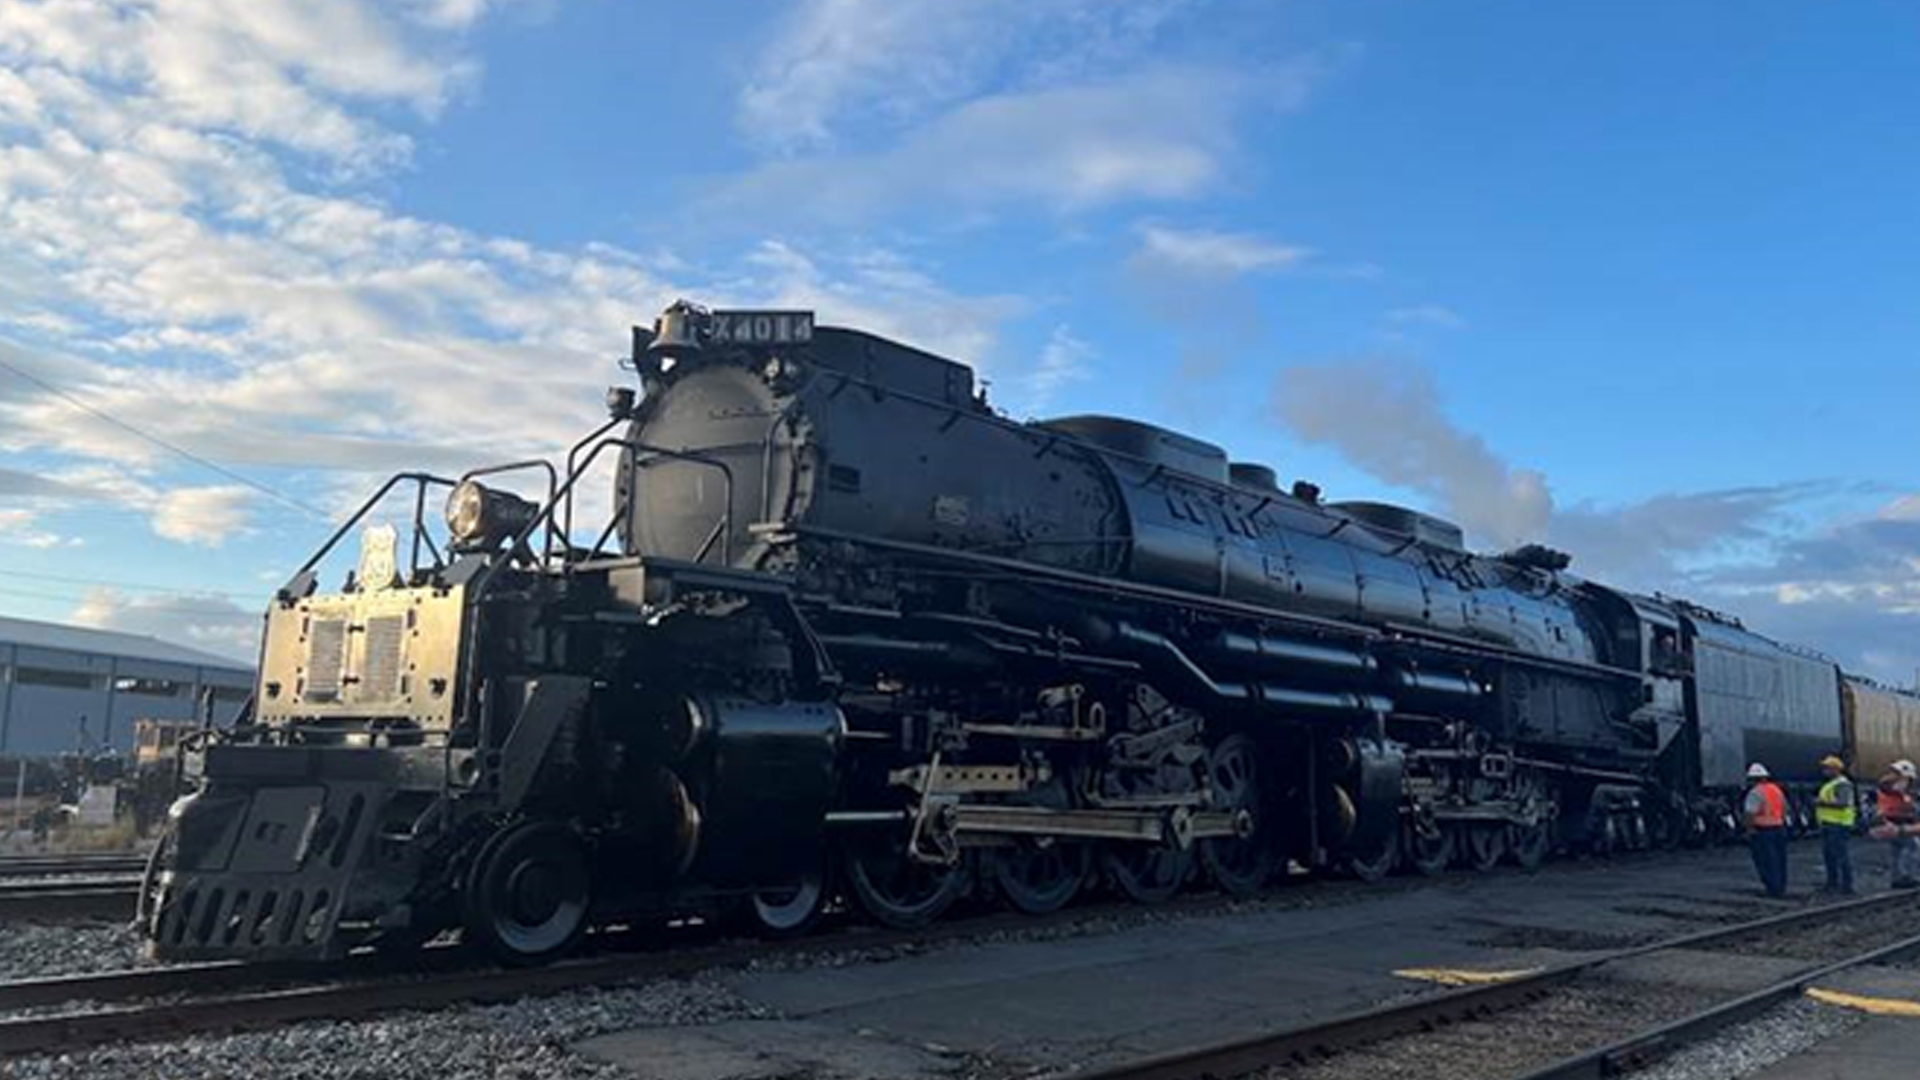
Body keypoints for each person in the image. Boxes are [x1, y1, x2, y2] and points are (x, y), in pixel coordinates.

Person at [1743, 762, 1790, 898]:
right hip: (1779, 828)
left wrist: (1749, 829)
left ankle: (1771, 889)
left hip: (1763, 831)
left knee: (1766, 861)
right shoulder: (1776, 790)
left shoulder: (1756, 792)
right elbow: (1785, 809)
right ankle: (1780, 888)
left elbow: (1750, 813)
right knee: (1779, 860)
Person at [1871, 760, 1920, 889]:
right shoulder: (1895, 784)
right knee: (1913, 848)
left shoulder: (1887, 784)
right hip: (1896, 820)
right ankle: (1908, 876)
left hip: (1891, 820)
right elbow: (1902, 798)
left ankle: (1897, 877)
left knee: (1896, 851)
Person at [1814, 754, 1856, 895]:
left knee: (1840, 855)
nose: (1824, 771)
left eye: (1826, 768)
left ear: (1835, 769)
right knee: (1830, 855)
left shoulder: (1842, 784)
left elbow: (1843, 803)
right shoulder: (1830, 784)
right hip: (1829, 824)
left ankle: (1846, 885)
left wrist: (1821, 803)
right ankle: (1832, 884)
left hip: (1838, 824)